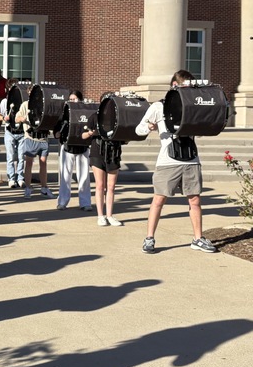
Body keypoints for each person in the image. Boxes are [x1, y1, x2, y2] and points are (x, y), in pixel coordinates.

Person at [135, 70, 217, 254]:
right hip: (167, 161)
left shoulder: (193, 106)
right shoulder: (159, 107)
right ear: (175, 86)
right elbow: (139, 129)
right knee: (159, 199)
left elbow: (204, 129)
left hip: (191, 158)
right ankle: (149, 238)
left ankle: (197, 239)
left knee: (195, 199)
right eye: (186, 87)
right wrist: (149, 126)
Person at [55, 90, 92, 212]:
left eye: (74, 98)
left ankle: (85, 202)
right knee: (65, 176)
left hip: (82, 147)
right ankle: (62, 202)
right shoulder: (65, 111)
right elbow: (58, 125)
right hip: (68, 146)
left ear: (80, 99)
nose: (72, 101)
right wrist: (57, 133)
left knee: (84, 177)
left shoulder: (86, 111)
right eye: (70, 99)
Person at [14, 98, 54, 199]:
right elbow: (16, 118)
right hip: (30, 137)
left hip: (43, 138)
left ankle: (44, 188)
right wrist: (22, 119)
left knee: (43, 162)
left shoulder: (45, 104)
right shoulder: (25, 104)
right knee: (29, 162)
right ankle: (28, 187)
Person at [85, 127, 123, 227]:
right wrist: (90, 133)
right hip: (97, 152)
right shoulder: (95, 116)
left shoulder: (118, 116)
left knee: (111, 186)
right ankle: (100, 216)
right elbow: (82, 135)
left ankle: (110, 216)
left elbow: (125, 138)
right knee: (100, 185)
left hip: (113, 152)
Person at [0, 80, 23, 188]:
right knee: (10, 156)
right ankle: (11, 178)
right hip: (9, 131)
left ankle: (20, 177)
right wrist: (3, 118)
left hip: (21, 132)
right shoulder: (4, 102)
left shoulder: (23, 102)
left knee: (21, 156)